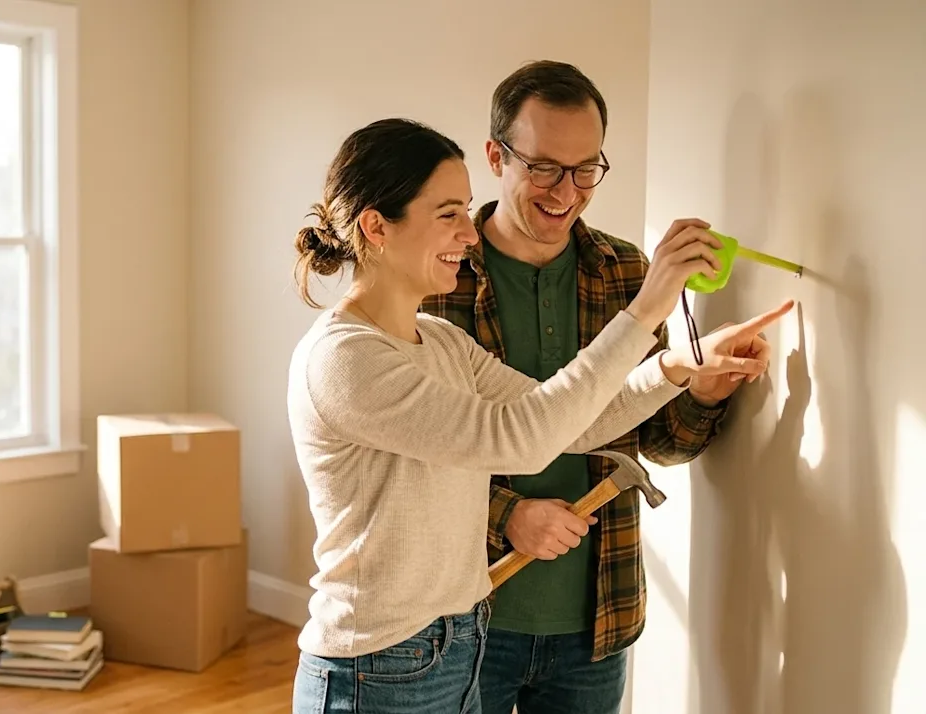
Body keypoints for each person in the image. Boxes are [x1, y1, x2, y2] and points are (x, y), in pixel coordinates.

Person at [286, 116, 792, 714]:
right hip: (379, 665)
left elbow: (569, 422)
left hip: (456, 645)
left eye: (465, 211)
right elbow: (521, 440)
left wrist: (679, 365)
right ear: (377, 226)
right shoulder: (346, 359)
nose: (468, 235)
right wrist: (647, 309)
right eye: (447, 214)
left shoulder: (440, 342)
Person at [418, 60, 786, 714]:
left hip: (598, 621)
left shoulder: (626, 272)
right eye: (545, 168)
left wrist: (700, 390)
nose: (568, 191)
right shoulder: (440, 280)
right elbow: (417, 459)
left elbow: (658, 445)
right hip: (469, 614)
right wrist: (507, 516)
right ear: (495, 156)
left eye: (586, 168)